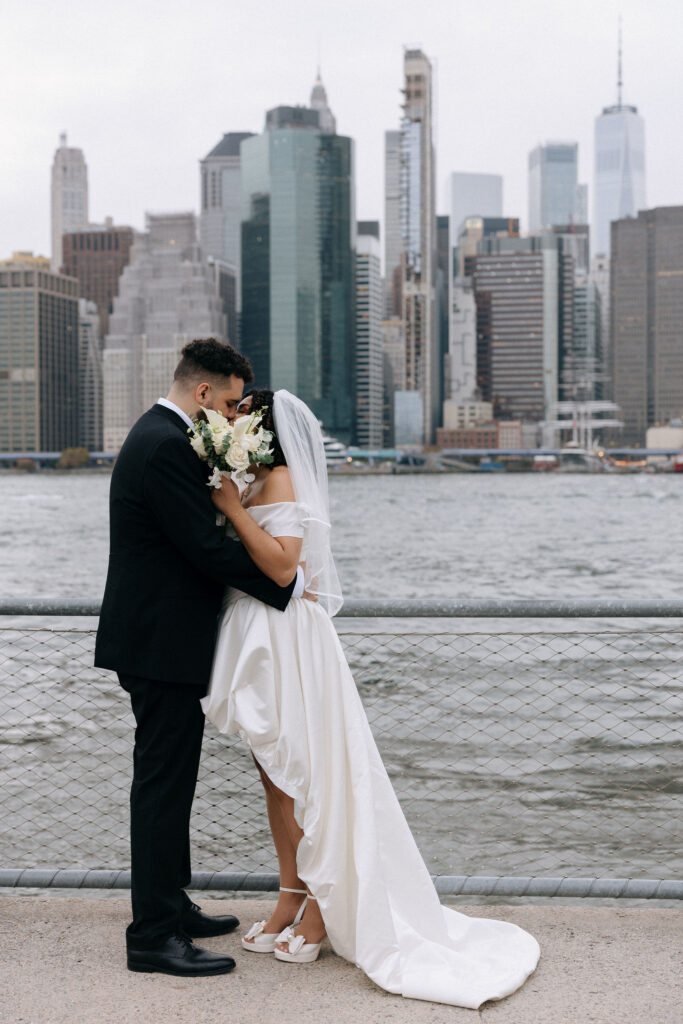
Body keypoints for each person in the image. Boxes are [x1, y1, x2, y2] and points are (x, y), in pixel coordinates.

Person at [202, 389, 541, 1009]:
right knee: (276, 778)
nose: (233, 420)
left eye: (243, 413)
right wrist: (230, 495)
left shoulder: (278, 480)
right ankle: (291, 894)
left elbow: (283, 567)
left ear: (264, 428)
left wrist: (233, 507)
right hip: (258, 638)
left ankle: (323, 912)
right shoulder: (253, 481)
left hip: (288, 642)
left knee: (306, 777)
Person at [94, 340, 303, 977]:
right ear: (204, 394)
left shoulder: (161, 435)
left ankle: (170, 903)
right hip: (160, 644)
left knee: (172, 781)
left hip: (164, 640)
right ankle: (152, 935)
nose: (238, 414)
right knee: (160, 787)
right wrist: (286, 583)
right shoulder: (164, 445)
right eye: (234, 401)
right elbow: (204, 550)